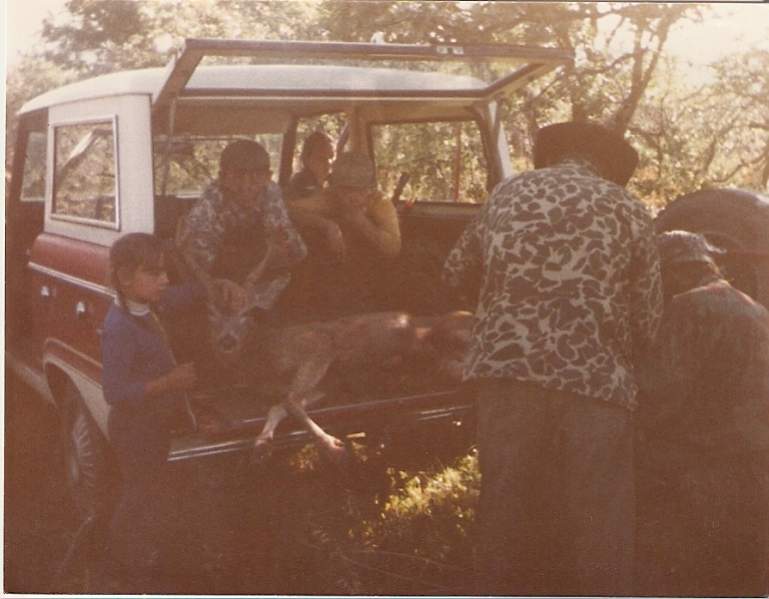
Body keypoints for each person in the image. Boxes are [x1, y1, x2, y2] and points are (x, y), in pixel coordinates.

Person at [443, 121, 663, 595]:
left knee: (503, 511)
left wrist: (500, 312)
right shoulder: (629, 209)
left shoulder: (506, 194)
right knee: (599, 521)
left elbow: (456, 273)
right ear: (607, 165)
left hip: (506, 376)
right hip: (596, 386)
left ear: (554, 155)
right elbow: (648, 321)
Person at [636, 231, 769, 597]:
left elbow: (658, 394)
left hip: (699, 471)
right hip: (756, 469)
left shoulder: (688, 309)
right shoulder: (757, 310)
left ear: (673, 272)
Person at [101, 232, 203, 583]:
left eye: (165, 271)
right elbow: (114, 392)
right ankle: (125, 567)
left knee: (150, 488)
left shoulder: (149, 304)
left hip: (153, 425)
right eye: (154, 273)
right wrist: (169, 383)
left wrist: (215, 286)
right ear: (126, 277)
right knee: (138, 493)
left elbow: (180, 294)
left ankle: (142, 553)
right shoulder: (119, 327)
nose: (165, 280)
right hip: (134, 429)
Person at [176, 139, 307, 313]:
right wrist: (219, 284)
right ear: (222, 177)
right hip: (218, 269)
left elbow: (288, 245)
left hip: (259, 268)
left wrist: (250, 282)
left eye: (255, 177)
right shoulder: (212, 199)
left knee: (296, 252)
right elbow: (193, 250)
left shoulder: (271, 192)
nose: (246, 185)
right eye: (237, 176)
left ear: (268, 177)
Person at [283, 151, 401, 319]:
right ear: (336, 189)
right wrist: (327, 226)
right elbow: (287, 209)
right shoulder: (329, 198)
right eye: (346, 190)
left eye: (360, 190)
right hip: (336, 279)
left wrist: (361, 221)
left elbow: (393, 249)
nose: (353, 196)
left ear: (369, 189)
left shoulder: (380, 204)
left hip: (375, 282)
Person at [285, 131, 335, 200]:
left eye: (329, 158)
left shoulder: (330, 181)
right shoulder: (300, 183)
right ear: (306, 159)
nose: (327, 164)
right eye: (321, 158)